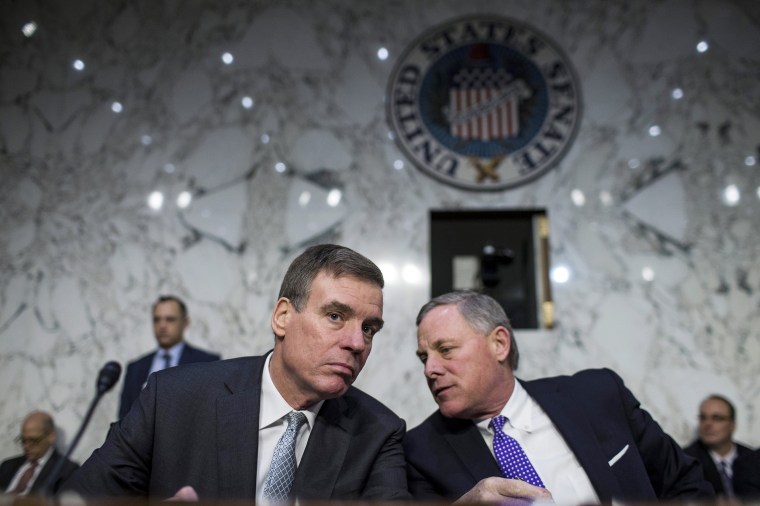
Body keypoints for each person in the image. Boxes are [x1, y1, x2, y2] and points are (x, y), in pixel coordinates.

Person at [64, 244, 408, 501]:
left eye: (369, 329)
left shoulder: (378, 433)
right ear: (283, 317)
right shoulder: (170, 400)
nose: (357, 343)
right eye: (335, 316)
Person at [404, 291, 714, 504]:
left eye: (445, 350)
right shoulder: (421, 452)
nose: (430, 369)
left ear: (499, 343)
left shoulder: (597, 394)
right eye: (423, 358)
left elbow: (685, 483)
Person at [118, 295, 221, 419]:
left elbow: (212, 414)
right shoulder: (135, 368)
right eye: (157, 320)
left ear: (185, 323)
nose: (162, 325)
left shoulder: (207, 363)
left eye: (170, 319)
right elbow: (124, 418)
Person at [683, 395, 753, 497]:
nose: (708, 424)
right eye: (703, 418)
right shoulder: (685, 461)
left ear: (732, 425)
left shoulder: (753, 459)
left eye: (717, 418)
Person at [0, 411, 79, 496]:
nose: (26, 446)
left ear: (51, 437)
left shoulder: (65, 470)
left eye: (33, 440)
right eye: (23, 440)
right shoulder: (7, 465)